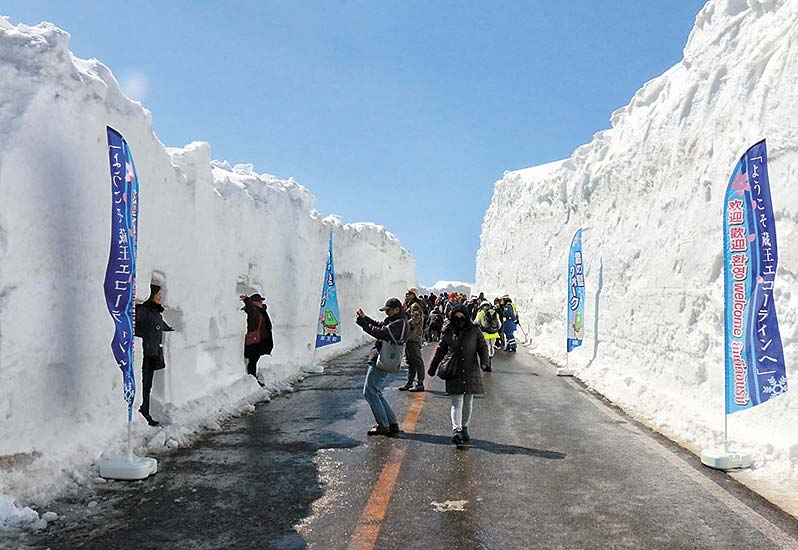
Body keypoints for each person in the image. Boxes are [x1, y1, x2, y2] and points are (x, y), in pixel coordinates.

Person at [427, 304, 489, 444]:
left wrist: (485, 362)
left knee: (468, 402)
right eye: (456, 316)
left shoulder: (474, 330)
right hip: (454, 369)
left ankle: (464, 427)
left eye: (462, 316)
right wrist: (432, 367)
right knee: (457, 402)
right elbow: (441, 350)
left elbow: (482, 346)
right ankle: (457, 430)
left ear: (466, 316)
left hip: (470, 370)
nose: (459, 319)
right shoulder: (448, 330)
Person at [356, 298, 409, 436]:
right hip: (382, 358)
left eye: (388, 310)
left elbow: (380, 332)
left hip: (382, 359)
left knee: (369, 392)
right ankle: (391, 423)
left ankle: (383, 425)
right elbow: (380, 325)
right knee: (376, 392)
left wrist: (363, 324)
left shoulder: (399, 323)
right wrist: (365, 319)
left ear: (397, 309)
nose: (386, 313)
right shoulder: (396, 320)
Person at [135, 284, 174, 426]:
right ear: (151, 295)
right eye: (158, 294)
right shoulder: (143, 310)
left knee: (147, 385)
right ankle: (142, 412)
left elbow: (162, 325)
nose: (160, 297)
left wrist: (170, 329)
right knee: (143, 385)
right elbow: (133, 323)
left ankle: (145, 411)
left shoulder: (155, 312)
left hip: (153, 353)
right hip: (144, 353)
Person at [240, 293, 274, 383]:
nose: (261, 303)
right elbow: (250, 307)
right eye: (259, 301)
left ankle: (253, 378)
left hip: (259, 340)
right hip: (255, 341)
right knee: (253, 360)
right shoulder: (254, 311)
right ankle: (252, 379)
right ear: (254, 302)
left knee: (255, 359)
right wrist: (247, 300)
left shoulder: (261, 311)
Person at [400, 288, 425, 392]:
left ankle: (420, 383)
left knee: (417, 361)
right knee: (410, 362)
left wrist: (404, 325)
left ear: (412, 295)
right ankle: (409, 383)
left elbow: (416, 319)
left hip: (414, 337)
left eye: (408, 294)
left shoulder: (415, 306)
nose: (406, 295)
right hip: (409, 337)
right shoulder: (410, 305)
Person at [475, 302, 502, 370]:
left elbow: (475, 323)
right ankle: (489, 364)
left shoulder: (480, 313)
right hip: (493, 334)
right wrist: (494, 330)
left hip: (485, 334)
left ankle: (486, 365)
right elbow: (499, 324)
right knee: (491, 348)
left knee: (485, 349)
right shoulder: (495, 313)